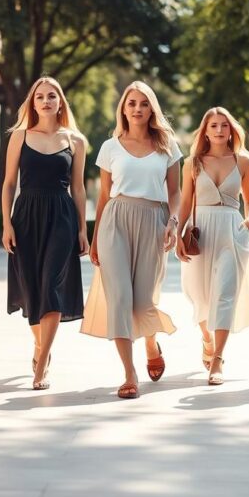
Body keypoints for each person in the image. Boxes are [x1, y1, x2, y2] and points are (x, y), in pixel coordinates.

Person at [81, 81, 182, 399]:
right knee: (121, 300)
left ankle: (151, 342)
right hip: (115, 222)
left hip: (153, 221)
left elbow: (176, 192)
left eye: (143, 103)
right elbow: (103, 196)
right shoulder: (110, 147)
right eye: (131, 103)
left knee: (143, 303)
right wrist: (95, 238)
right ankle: (129, 373)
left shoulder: (167, 145)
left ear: (152, 108)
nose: (137, 108)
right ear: (123, 108)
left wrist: (173, 222)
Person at [2, 77, 88, 391]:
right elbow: (9, 183)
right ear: (33, 102)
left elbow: (78, 188)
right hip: (26, 216)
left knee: (52, 285)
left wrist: (82, 228)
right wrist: (6, 223)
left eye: (52, 96)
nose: (47, 101)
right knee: (33, 289)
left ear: (60, 102)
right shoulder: (19, 136)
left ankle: (41, 364)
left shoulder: (75, 139)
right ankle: (40, 347)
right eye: (41, 96)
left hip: (62, 217)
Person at [175, 107, 249, 385]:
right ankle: (207, 339)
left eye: (223, 125)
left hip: (232, 230)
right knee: (198, 296)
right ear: (205, 130)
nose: (218, 130)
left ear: (231, 130)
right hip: (200, 231)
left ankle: (218, 361)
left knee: (225, 295)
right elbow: (186, 202)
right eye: (213, 125)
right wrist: (178, 234)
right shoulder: (193, 163)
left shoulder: (244, 161)